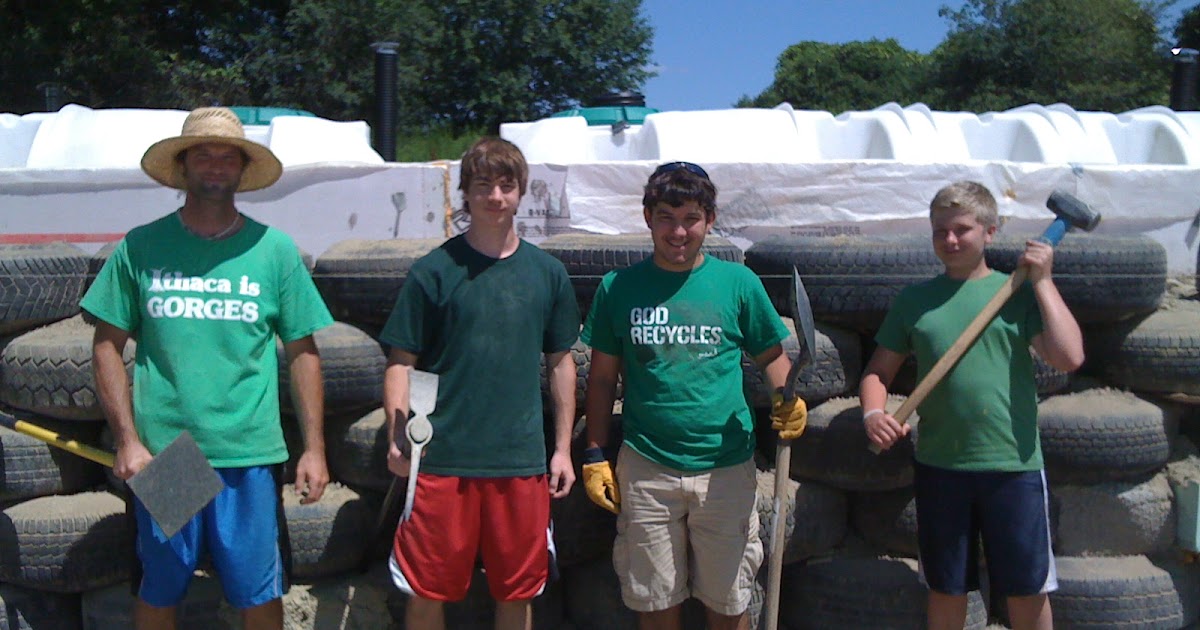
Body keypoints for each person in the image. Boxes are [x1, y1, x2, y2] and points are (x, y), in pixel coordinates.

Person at [83, 106, 333, 630]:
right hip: (171, 455)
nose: (216, 165)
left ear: (242, 170)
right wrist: (127, 440)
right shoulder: (142, 246)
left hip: (248, 452)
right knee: (161, 586)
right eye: (204, 155)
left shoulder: (274, 251)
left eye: (227, 156)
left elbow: (303, 352)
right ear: (184, 166)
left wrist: (314, 448)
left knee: (257, 591)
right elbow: (106, 344)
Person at [579, 161, 807, 630]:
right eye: (666, 217)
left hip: (725, 467)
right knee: (656, 604)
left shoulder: (738, 284)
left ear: (710, 220)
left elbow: (772, 358)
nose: (678, 231)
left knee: (727, 605)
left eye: (691, 219)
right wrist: (595, 452)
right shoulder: (617, 288)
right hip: (647, 469)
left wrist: (789, 398)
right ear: (647, 217)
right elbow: (601, 379)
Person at [860, 181, 1084, 630]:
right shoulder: (916, 301)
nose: (951, 240)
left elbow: (1069, 356)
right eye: (940, 230)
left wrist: (1043, 281)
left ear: (991, 232)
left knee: (1026, 589)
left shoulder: (1017, 294)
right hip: (941, 466)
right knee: (946, 588)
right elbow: (877, 374)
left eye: (963, 229)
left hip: (1013, 466)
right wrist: (873, 414)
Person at [381, 137, 579, 630]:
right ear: (465, 194)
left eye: (506, 186)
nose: (495, 197)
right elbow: (400, 362)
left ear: (520, 193)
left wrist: (561, 450)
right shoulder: (433, 271)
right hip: (441, 462)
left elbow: (561, 363)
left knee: (516, 592)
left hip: (520, 464)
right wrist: (396, 436)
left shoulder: (548, 273)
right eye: (484, 185)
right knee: (427, 591)